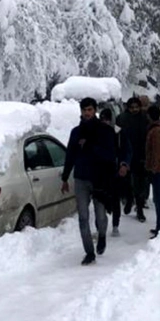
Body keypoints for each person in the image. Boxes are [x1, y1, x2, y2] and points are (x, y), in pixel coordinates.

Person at [61, 97, 119, 265]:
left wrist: (90, 146)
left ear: (95, 111)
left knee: (101, 216)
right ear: (81, 111)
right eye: (84, 110)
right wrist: (65, 177)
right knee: (83, 217)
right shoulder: (75, 132)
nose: (87, 113)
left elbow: (111, 155)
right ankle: (89, 252)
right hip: (80, 178)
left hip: (100, 179)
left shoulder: (105, 131)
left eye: (90, 110)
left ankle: (102, 236)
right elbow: (70, 155)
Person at [116, 96, 150, 222]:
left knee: (140, 184)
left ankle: (139, 209)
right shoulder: (122, 119)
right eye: (132, 107)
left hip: (141, 155)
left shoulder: (145, 118)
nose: (134, 110)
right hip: (125, 155)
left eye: (137, 107)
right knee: (126, 181)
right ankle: (129, 199)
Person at [99, 107, 132, 236]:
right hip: (101, 171)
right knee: (101, 198)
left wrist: (124, 164)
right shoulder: (98, 133)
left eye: (107, 119)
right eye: (102, 119)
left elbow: (127, 150)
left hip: (117, 170)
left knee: (115, 198)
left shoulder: (119, 133)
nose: (105, 122)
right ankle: (100, 225)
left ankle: (115, 225)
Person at [145, 104, 160, 237]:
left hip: (158, 169)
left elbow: (157, 151)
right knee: (158, 197)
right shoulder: (158, 128)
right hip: (159, 168)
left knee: (158, 198)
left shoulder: (155, 131)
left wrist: (153, 167)